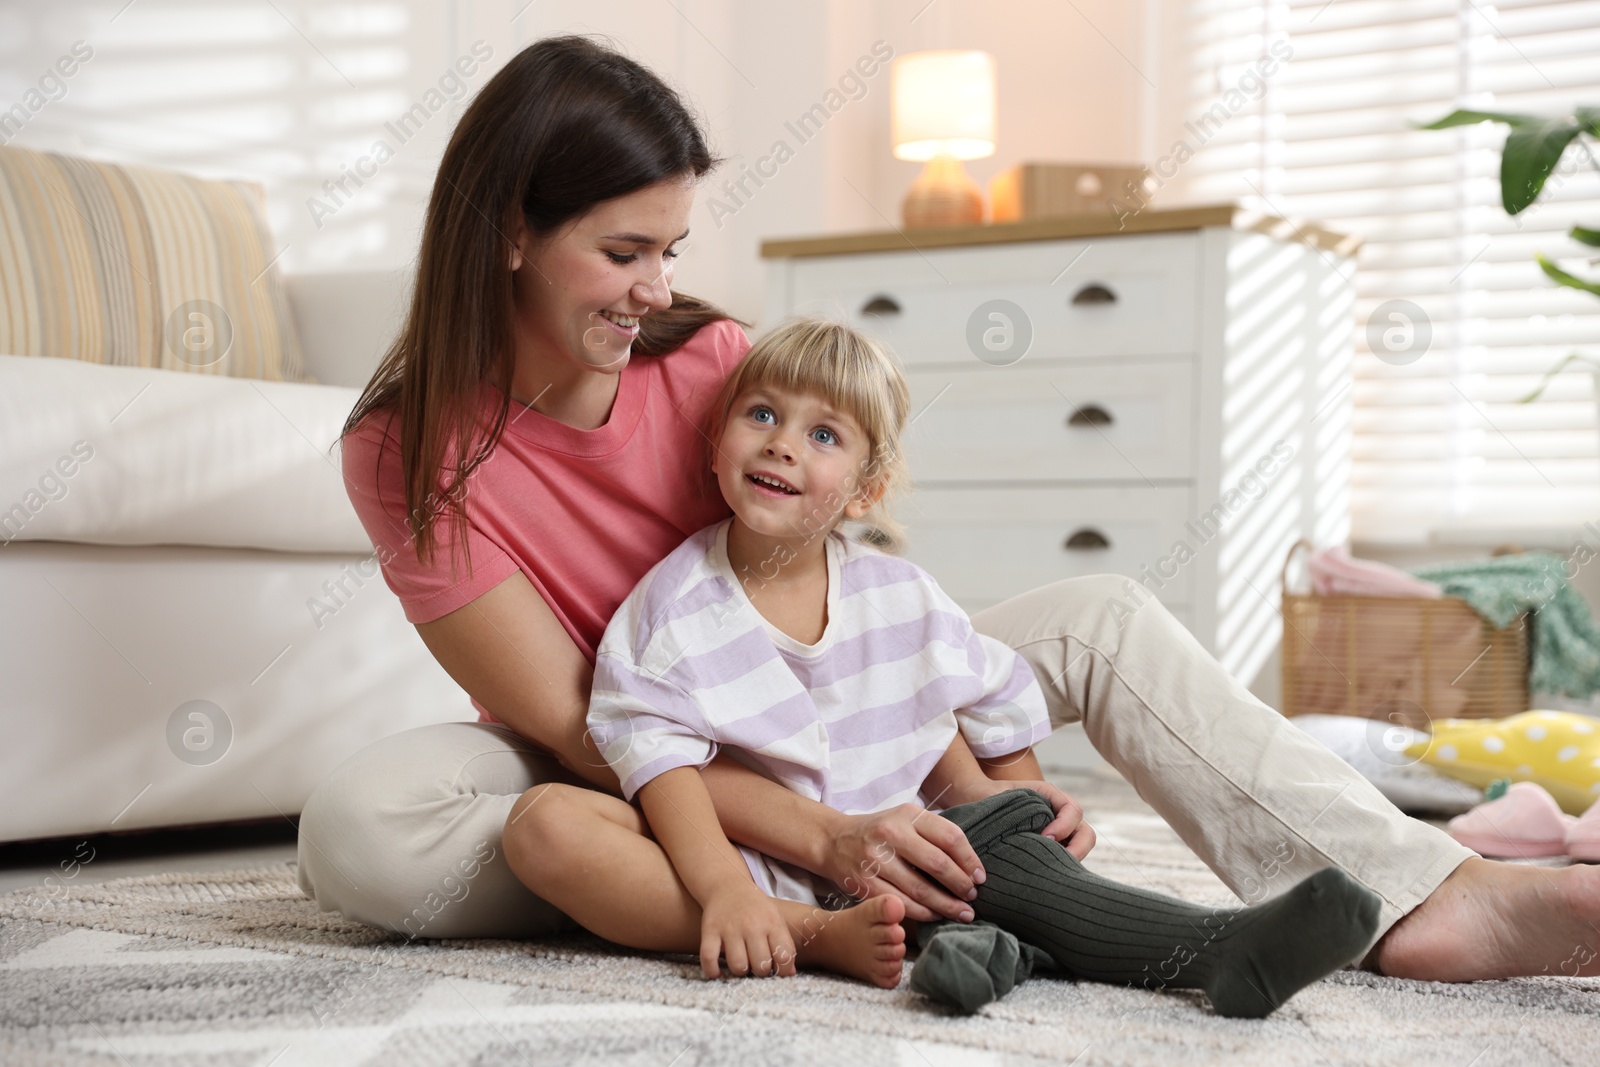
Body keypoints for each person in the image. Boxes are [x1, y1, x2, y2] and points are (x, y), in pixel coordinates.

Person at [297, 33, 1600, 987]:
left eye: (672, 250)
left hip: (822, 690)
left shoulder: (709, 362)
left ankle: (1440, 890)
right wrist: (830, 828)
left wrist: (985, 771)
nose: (654, 288)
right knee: (365, 835)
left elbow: (856, 576)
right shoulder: (408, 447)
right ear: (508, 233)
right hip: (642, 746)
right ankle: (815, 902)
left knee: (1097, 615)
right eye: (621, 253)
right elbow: (585, 723)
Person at [544, 315, 1384, 1016]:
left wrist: (1012, 802)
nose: (784, 445)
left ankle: (992, 951)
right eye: (761, 414)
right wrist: (727, 893)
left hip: (920, 855)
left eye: (823, 433)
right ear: (718, 444)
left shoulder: (898, 594)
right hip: (781, 872)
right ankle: (1211, 948)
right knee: (555, 832)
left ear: (865, 488)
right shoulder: (675, 610)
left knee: (1001, 846)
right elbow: (661, 764)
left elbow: (972, 701)